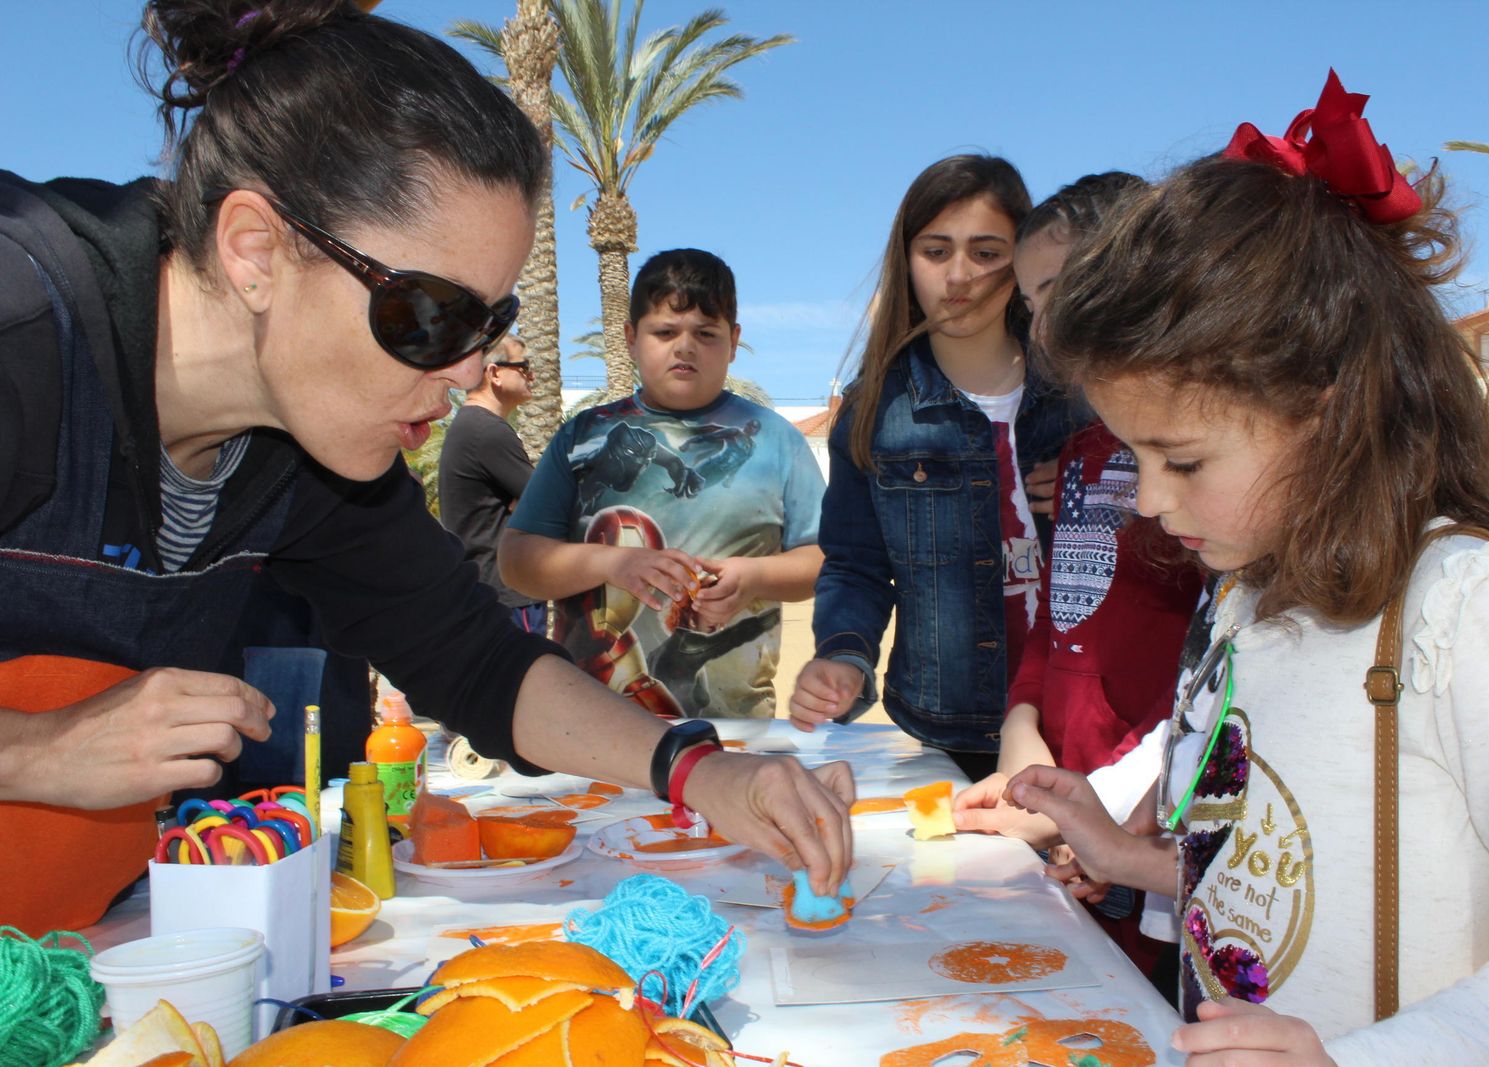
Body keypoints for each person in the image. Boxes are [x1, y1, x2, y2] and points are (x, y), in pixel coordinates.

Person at [0, 0, 851, 938]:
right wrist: (36, 749)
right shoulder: (20, 331)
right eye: (431, 316)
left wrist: (701, 771)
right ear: (255, 251)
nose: (466, 372)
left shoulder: (316, 453)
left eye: (489, 324)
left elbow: (475, 660)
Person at [1004, 72, 1489, 1063]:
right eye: (1135, 455)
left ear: (1324, 409)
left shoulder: (1462, 608)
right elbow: (1267, 860)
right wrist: (1120, 845)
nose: (1147, 500)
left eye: (1182, 460)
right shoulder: (1243, 593)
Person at [950, 172, 1204, 982]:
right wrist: (1022, 732)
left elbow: (1205, 674)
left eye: (1060, 288)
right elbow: (1059, 621)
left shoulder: (1203, 474)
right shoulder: (1085, 456)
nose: (1044, 323)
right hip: (1076, 813)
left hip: (1138, 824)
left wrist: (1092, 809)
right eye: (1031, 302)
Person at [790, 154, 1088, 781]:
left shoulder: (1087, 391)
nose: (959, 276)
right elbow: (855, 564)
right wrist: (843, 655)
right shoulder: (874, 409)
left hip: (1087, 719)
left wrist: (1102, 496)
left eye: (986, 253)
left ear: (1023, 258)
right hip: (948, 732)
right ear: (906, 260)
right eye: (935, 251)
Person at [500, 249, 826, 718]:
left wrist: (754, 577)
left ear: (734, 341)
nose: (685, 347)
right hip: (587, 726)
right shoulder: (582, 438)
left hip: (735, 728)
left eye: (706, 333)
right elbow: (516, 561)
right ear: (631, 339)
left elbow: (824, 559)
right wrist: (611, 563)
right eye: (665, 332)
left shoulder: (779, 442)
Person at [439, 332, 547, 635]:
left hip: (488, 590)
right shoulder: (487, 431)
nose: (532, 375)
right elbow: (548, 502)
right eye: (524, 367)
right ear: (495, 373)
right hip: (507, 596)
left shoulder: (473, 426)